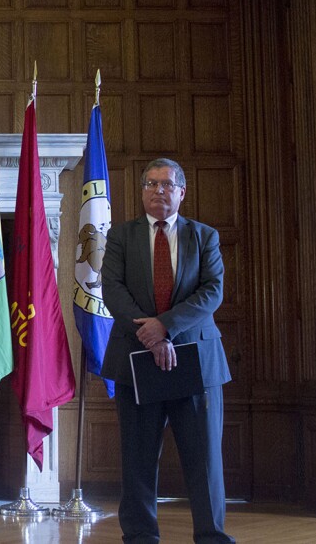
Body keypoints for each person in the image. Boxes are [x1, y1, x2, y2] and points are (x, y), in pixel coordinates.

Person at [101, 158, 235, 544]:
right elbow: (113, 291)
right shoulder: (120, 237)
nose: (159, 190)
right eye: (151, 184)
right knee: (138, 458)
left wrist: (167, 327)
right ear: (142, 191)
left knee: (205, 459)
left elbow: (212, 291)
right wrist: (153, 337)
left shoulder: (203, 236)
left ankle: (212, 536)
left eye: (167, 185)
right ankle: (141, 536)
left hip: (195, 360)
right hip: (137, 360)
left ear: (181, 192)